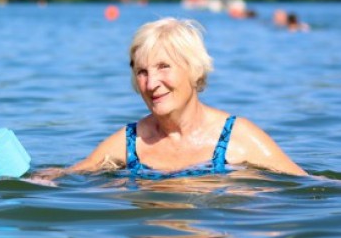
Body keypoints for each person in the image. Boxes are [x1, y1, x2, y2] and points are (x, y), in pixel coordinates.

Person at [68, 17, 306, 177]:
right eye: (142, 72)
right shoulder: (130, 141)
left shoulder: (238, 136)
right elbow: (68, 178)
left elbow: (309, 187)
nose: (151, 84)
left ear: (194, 69)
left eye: (163, 66)